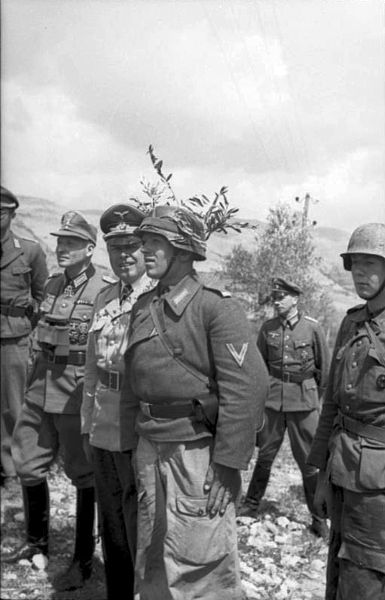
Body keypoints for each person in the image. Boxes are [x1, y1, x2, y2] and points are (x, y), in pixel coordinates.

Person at [121, 204, 269, 600]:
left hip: (197, 453)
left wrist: (229, 463)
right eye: (144, 241)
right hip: (150, 444)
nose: (145, 250)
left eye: (156, 242)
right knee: (153, 552)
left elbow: (249, 387)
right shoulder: (142, 307)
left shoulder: (215, 307)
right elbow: (134, 380)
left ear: (184, 251)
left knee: (200, 561)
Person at [4, 210, 106, 592]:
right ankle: (36, 543)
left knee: (83, 471)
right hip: (40, 383)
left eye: (72, 243)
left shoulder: (102, 291)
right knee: (27, 460)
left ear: (90, 249)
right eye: (60, 242)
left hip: (75, 390)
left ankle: (82, 559)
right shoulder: (50, 284)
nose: (62, 248)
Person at [81, 203, 154, 600]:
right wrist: (86, 422)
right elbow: (92, 365)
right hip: (103, 424)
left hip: (139, 425)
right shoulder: (105, 297)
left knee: (139, 520)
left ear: (145, 248)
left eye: (131, 246)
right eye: (115, 248)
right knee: (110, 520)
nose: (124, 255)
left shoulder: (157, 300)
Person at [308, 223, 385, 600]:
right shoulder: (352, 321)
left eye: (371, 264)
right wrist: (322, 475)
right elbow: (332, 405)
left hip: (379, 485)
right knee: (339, 568)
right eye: (355, 263)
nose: (360, 272)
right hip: (342, 468)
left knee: (366, 574)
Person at [238, 277, 330, 539]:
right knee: (265, 456)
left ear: (295, 299)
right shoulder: (268, 328)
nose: (277, 301)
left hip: (304, 402)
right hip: (274, 401)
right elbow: (260, 367)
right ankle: (251, 505)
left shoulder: (313, 329)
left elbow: (324, 372)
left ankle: (318, 517)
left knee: (310, 462)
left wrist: (314, 398)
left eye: (281, 297)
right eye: (275, 297)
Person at [1, 186, 48, 487]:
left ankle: (12, 471)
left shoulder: (29, 250)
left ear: (12, 215)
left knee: (13, 406)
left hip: (13, 338)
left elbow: (42, 297)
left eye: (0, 213)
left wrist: (27, 330)